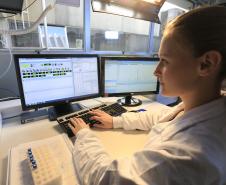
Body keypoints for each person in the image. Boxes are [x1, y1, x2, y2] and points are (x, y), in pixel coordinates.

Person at [68, 6, 226, 185]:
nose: (156, 71)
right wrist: (116, 121)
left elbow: (107, 178)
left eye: (165, 61)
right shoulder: (210, 104)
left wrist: (83, 136)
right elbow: (163, 117)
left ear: (206, 64)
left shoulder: (190, 157)